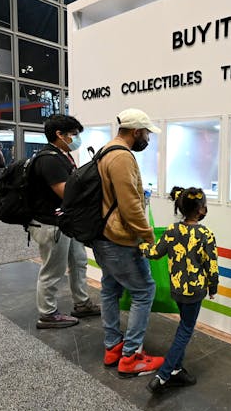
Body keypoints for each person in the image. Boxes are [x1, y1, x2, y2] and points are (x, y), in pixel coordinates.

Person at [91, 108, 164, 377]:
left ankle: (113, 347)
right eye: (146, 133)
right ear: (136, 132)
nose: (147, 138)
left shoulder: (105, 150)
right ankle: (131, 356)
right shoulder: (122, 157)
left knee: (110, 289)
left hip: (102, 236)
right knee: (144, 291)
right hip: (119, 239)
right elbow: (130, 205)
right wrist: (148, 236)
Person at [140, 186, 219, 394]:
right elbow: (211, 265)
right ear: (201, 210)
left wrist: (140, 247)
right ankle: (163, 375)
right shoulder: (206, 234)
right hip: (195, 291)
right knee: (185, 330)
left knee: (183, 325)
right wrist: (213, 286)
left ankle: (176, 369)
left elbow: (156, 252)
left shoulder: (172, 230)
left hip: (177, 289)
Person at [29, 115, 101, 329]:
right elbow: (65, 193)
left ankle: (81, 303)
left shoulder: (63, 155)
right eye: (73, 134)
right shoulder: (48, 159)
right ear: (59, 135)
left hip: (67, 223)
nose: (76, 138)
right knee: (53, 270)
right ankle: (47, 314)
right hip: (51, 225)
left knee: (78, 262)